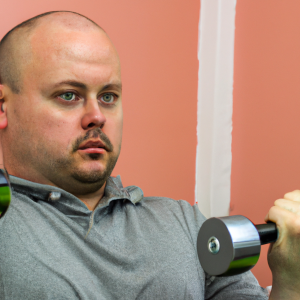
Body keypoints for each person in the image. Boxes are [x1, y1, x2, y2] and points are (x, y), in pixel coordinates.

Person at [0, 11, 298, 300]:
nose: (96, 116)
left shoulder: (186, 223)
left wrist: (291, 282)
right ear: (3, 106)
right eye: (69, 95)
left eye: (108, 97)